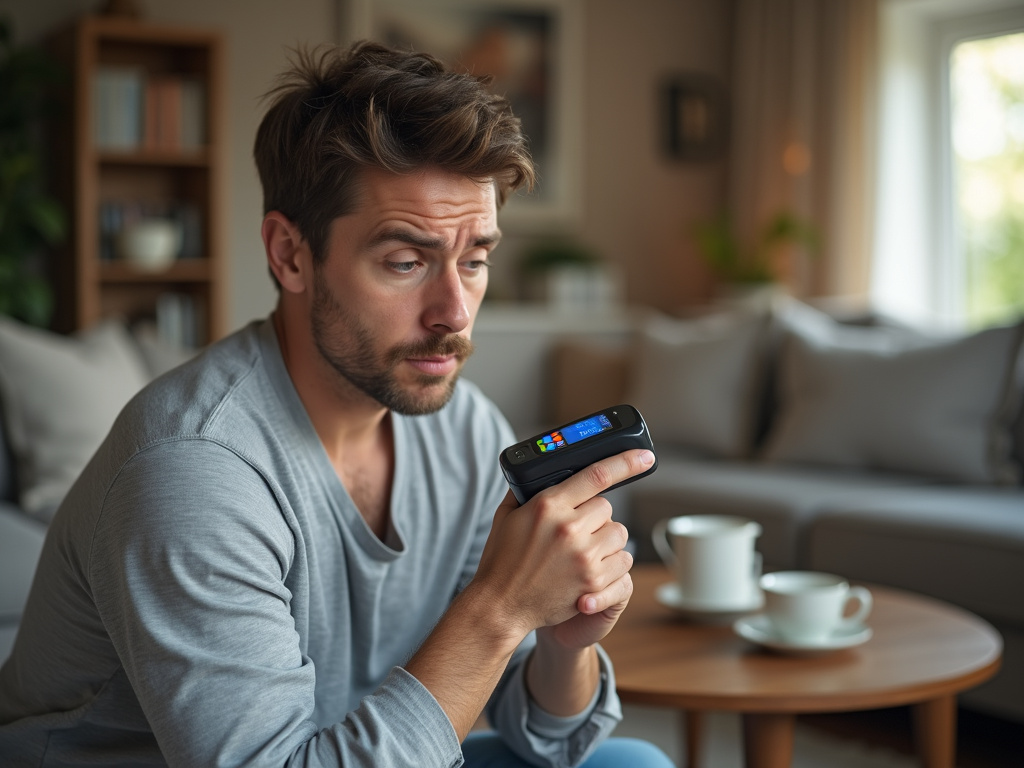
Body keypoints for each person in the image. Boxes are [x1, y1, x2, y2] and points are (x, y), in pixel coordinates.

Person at [0, 41, 672, 768]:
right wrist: (501, 606)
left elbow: (544, 735)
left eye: (474, 259)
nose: (454, 310)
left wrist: (560, 639)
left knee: (628, 763)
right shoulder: (192, 472)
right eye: (405, 261)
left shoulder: (465, 428)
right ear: (290, 254)